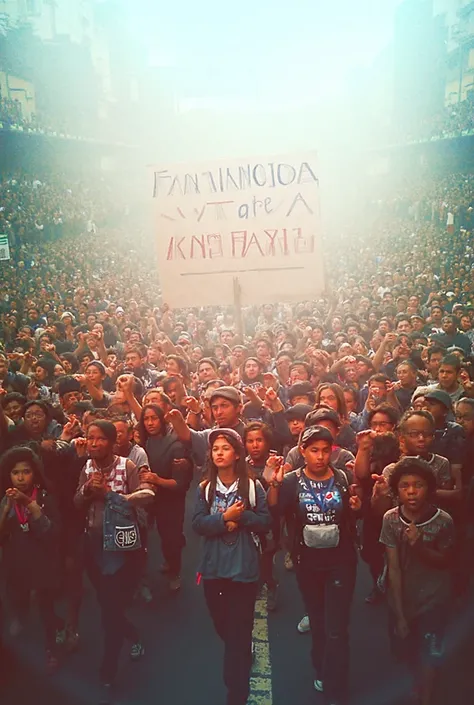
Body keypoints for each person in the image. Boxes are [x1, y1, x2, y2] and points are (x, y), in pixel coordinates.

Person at [268, 426, 361, 705]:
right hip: (307, 561)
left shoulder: (343, 478)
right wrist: (273, 484)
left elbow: (356, 512)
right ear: (302, 452)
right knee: (319, 621)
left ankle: (336, 685)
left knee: (337, 626)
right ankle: (320, 666)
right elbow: (275, 510)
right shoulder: (291, 481)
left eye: (325, 451)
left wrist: (357, 506)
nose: (320, 457)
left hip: (341, 560)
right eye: (313, 451)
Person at [74, 420, 154, 704]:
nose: (93, 444)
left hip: (122, 550)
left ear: (112, 442)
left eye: (100, 439)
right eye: (89, 438)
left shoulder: (127, 467)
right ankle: (131, 632)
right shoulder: (86, 468)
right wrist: (86, 491)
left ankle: (108, 669)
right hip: (94, 548)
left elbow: (145, 499)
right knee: (107, 604)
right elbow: (76, 503)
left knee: (110, 610)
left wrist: (108, 494)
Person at [192, 428, 271, 705]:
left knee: (238, 636)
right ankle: (239, 653)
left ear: (237, 454)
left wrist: (244, 518)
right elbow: (197, 524)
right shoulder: (205, 488)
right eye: (215, 449)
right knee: (221, 623)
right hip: (214, 568)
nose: (219, 453)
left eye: (225, 448)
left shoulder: (252, 486)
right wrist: (224, 518)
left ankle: (236, 693)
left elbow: (265, 522)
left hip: (243, 568)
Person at [380, 457, 455, 705]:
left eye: (418, 485)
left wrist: (420, 546)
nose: (411, 492)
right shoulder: (391, 519)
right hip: (403, 599)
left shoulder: (443, 521)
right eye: (405, 486)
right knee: (407, 651)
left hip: (434, 600)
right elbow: (394, 568)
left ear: (429, 488)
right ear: (396, 490)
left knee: (430, 654)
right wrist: (400, 614)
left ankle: (426, 697)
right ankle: (417, 682)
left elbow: (446, 561)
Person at [0, 446, 62, 672]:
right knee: (17, 601)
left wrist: (31, 506)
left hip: (42, 562)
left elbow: (53, 534)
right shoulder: (5, 499)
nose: (20, 477)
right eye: (15, 472)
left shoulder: (45, 497)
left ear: (34, 473)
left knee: (46, 609)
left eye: (25, 472)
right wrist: (6, 509)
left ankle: (51, 649)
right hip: (16, 563)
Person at [137, 404, 193, 592]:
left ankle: (175, 572)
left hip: (171, 500)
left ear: (162, 419)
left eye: (154, 418)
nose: (150, 423)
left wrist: (156, 479)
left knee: (171, 538)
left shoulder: (175, 444)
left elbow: (179, 485)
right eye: (146, 419)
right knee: (154, 535)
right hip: (150, 498)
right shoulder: (144, 443)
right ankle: (168, 563)